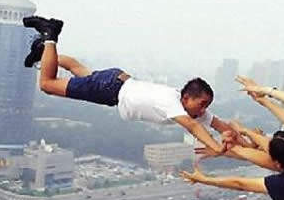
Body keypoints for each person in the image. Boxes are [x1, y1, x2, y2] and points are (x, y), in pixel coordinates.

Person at [22, 15, 234, 154]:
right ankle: (49, 35)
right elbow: (194, 127)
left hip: (116, 81)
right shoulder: (173, 104)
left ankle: (41, 54)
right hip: (111, 89)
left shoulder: (192, 110)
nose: (204, 109)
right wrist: (216, 147)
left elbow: (220, 125)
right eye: (202, 103)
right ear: (187, 98)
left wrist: (244, 141)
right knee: (48, 85)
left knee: (75, 68)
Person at [182, 131, 284, 200]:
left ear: (278, 163)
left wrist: (204, 179)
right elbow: (267, 156)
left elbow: (240, 184)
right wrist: (235, 145)